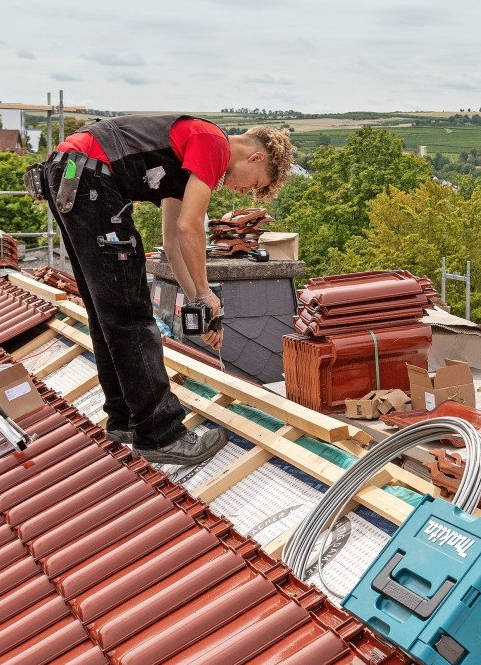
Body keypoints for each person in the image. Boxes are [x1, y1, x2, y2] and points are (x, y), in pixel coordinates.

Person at [33, 115, 295, 465]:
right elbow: (190, 229)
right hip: (91, 179)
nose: (243, 192)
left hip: (69, 176)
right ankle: (161, 436)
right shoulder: (213, 142)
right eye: (253, 185)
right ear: (256, 157)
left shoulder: (186, 160)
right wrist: (206, 293)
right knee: (133, 318)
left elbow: (172, 243)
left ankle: (126, 418)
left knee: (108, 312)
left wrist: (199, 306)